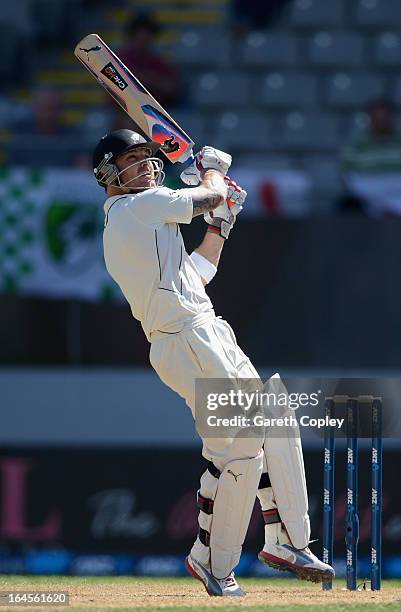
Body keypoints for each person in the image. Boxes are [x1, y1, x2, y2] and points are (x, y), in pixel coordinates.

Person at [92, 129, 334, 596]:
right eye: (132, 159)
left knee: (269, 425)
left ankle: (271, 544)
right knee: (239, 451)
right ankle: (224, 558)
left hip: (205, 329)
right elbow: (206, 194)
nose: (145, 164)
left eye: (147, 156)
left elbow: (197, 275)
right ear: (107, 173)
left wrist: (220, 224)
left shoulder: (150, 218)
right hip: (186, 339)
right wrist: (212, 171)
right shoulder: (136, 208)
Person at [339, 98, 401, 212]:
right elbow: (347, 178)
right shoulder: (355, 146)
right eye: (377, 118)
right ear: (369, 119)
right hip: (367, 198)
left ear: (392, 118)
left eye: (385, 118)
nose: (381, 122)